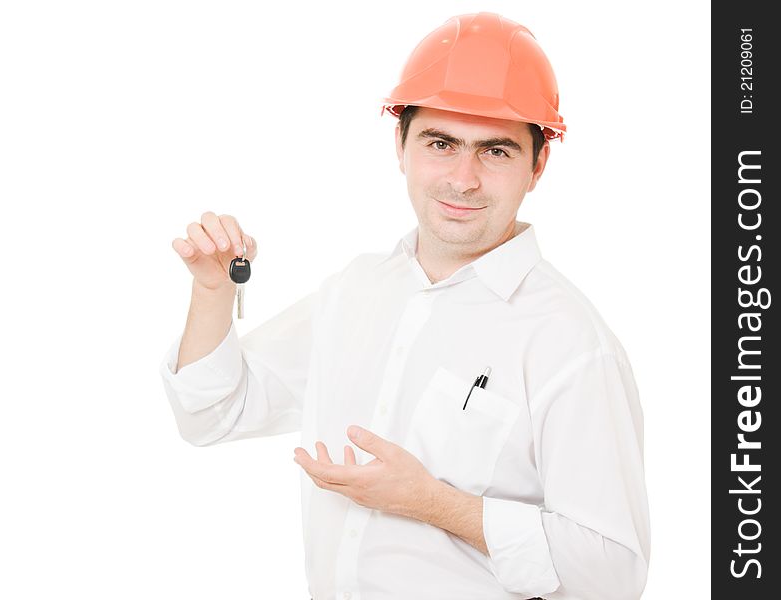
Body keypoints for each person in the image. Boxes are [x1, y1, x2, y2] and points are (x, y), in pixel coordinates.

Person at [160, 12, 650, 600]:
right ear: (401, 145)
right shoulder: (356, 289)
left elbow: (613, 575)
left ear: (537, 165)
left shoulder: (569, 342)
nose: (463, 180)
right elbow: (213, 414)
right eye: (440, 144)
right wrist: (214, 295)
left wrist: (434, 503)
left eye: (495, 151)